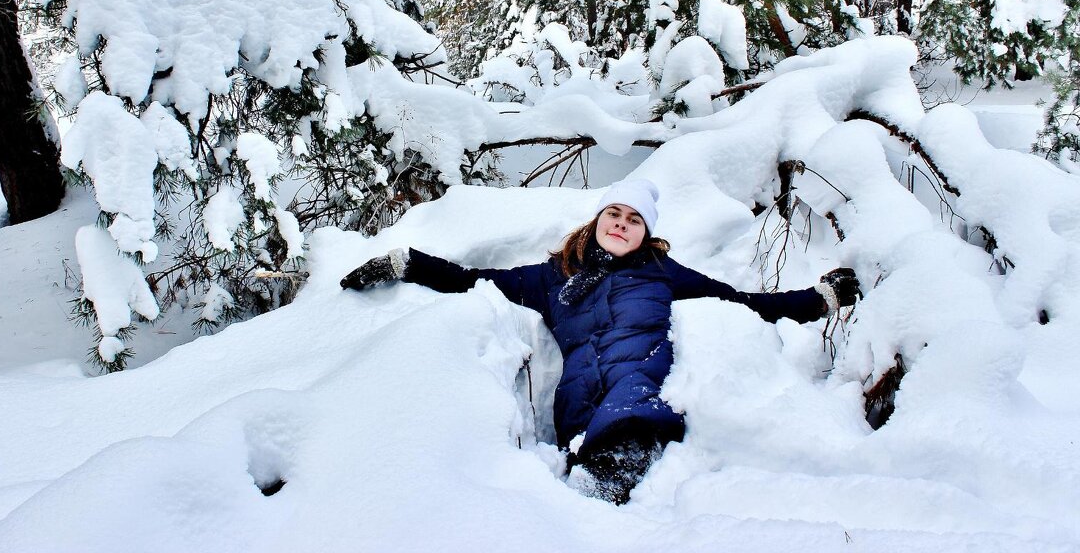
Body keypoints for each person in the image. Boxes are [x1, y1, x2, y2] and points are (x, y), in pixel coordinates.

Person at [340, 178, 861, 504]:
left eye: (634, 220)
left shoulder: (664, 272)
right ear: (597, 221)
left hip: (638, 389)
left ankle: (609, 476)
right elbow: (479, 279)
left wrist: (818, 300)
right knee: (584, 438)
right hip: (577, 400)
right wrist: (407, 263)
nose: (621, 223)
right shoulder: (553, 277)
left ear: (646, 233)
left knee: (629, 401)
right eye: (615, 213)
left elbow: (743, 304)